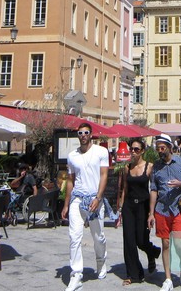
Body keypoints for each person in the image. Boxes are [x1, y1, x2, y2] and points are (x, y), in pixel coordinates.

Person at [62, 123, 109, 291]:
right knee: (74, 236)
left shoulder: (101, 152)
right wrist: (66, 204)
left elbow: (104, 175)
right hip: (77, 199)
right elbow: (70, 180)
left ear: (91, 134)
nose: (83, 135)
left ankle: (101, 261)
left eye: (86, 132)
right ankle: (76, 274)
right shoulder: (72, 156)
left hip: (95, 200)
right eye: (80, 133)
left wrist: (98, 197)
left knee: (98, 237)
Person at [148, 134, 181, 291]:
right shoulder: (156, 167)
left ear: (169, 147)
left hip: (178, 208)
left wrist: (180, 184)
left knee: (179, 243)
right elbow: (154, 190)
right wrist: (151, 213)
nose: (160, 151)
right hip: (162, 209)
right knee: (166, 243)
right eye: (157, 148)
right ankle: (168, 278)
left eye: (162, 148)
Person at [117, 138, 161, 286]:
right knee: (129, 241)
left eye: (136, 149)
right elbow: (124, 189)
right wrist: (121, 209)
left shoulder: (149, 167)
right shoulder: (127, 168)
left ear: (142, 151)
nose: (133, 152)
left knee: (141, 241)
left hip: (143, 205)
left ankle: (152, 252)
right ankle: (134, 274)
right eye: (132, 149)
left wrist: (152, 212)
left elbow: (154, 189)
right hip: (129, 206)